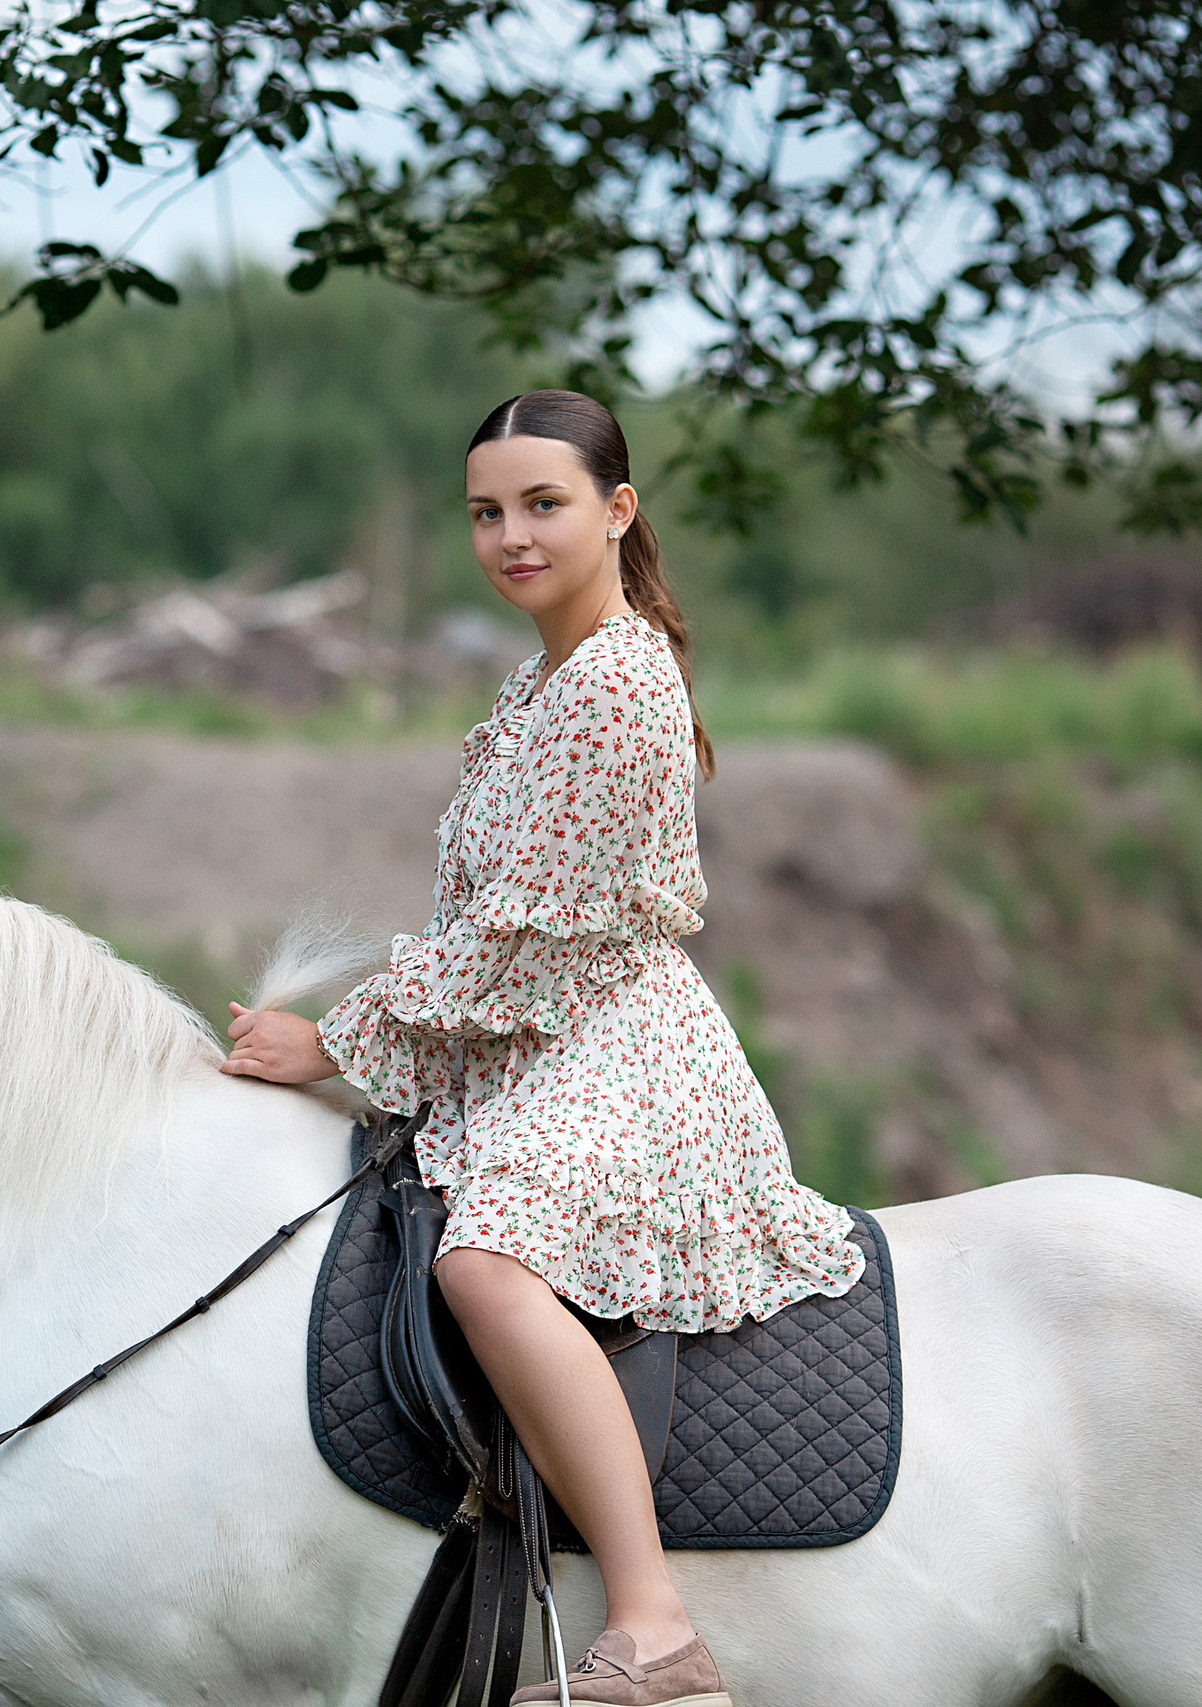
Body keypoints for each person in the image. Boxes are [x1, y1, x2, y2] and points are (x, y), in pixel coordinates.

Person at [221, 390, 865, 1707]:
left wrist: (334, 1044)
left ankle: (654, 1625)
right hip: (539, 1027)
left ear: (618, 512)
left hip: (613, 1042)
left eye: (541, 504)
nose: (510, 536)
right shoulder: (540, 677)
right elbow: (491, 925)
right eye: (485, 513)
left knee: (490, 1267)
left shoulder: (615, 685)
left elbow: (526, 938)